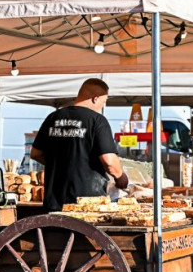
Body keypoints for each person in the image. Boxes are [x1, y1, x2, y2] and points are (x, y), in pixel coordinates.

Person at [30, 78, 127, 211]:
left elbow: (36, 153)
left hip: (55, 203)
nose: (102, 106)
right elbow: (109, 162)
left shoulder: (53, 117)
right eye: (103, 102)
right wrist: (121, 176)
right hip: (87, 205)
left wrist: (61, 163)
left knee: (55, 232)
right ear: (95, 98)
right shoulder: (97, 121)